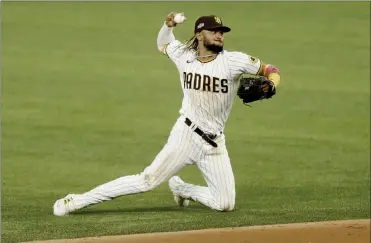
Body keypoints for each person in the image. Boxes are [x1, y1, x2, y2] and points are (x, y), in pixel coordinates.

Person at [53, 12, 281, 216]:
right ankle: (76, 200)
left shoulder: (233, 61)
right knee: (146, 181)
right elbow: (163, 43)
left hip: (215, 144)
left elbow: (270, 70)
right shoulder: (184, 55)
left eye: (222, 32)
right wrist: (168, 25)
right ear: (200, 34)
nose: (220, 35)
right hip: (186, 134)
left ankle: (182, 189)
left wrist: (272, 85)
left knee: (225, 204)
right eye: (215, 31)